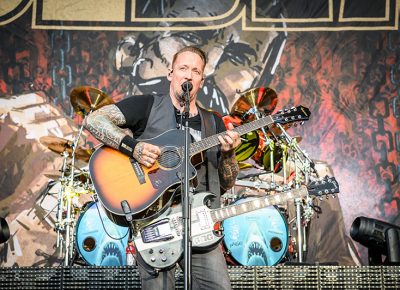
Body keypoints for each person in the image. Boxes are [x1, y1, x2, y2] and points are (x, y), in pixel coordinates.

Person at [84, 46, 241, 290]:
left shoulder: (214, 122)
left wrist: (229, 154)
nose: (189, 75)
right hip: (153, 223)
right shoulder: (146, 105)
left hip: (199, 226)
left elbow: (225, 182)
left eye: (196, 71)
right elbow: (94, 120)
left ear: (201, 79)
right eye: (183, 68)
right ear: (171, 74)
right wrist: (133, 148)